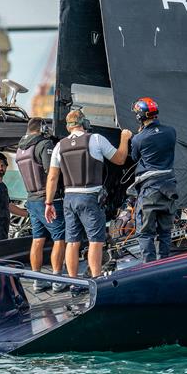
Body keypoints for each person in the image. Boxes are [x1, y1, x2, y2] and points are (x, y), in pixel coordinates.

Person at [44, 109, 131, 286]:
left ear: (68, 127)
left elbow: (52, 177)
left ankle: (74, 283)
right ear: (84, 123)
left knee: (72, 241)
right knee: (95, 240)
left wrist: (48, 203)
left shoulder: (59, 146)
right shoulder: (96, 139)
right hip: (90, 197)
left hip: (69, 198)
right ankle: (97, 282)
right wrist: (124, 137)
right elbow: (120, 159)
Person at [16, 118, 67, 292]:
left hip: (31, 200)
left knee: (37, 239)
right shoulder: (44, 145)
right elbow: (52, 172)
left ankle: (37, 279)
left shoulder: (20, 149)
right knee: (59, 238)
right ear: (43, 128)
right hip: (48, 200)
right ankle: (57, 279)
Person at [129, 97, 178, 263]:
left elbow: (135, 157)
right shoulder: (171, 131)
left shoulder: (138, 139)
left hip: (150, 190)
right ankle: (163, 264)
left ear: (140, 116)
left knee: (145, 232)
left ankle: (148, 267)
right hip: (169, 187)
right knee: (165, 231)